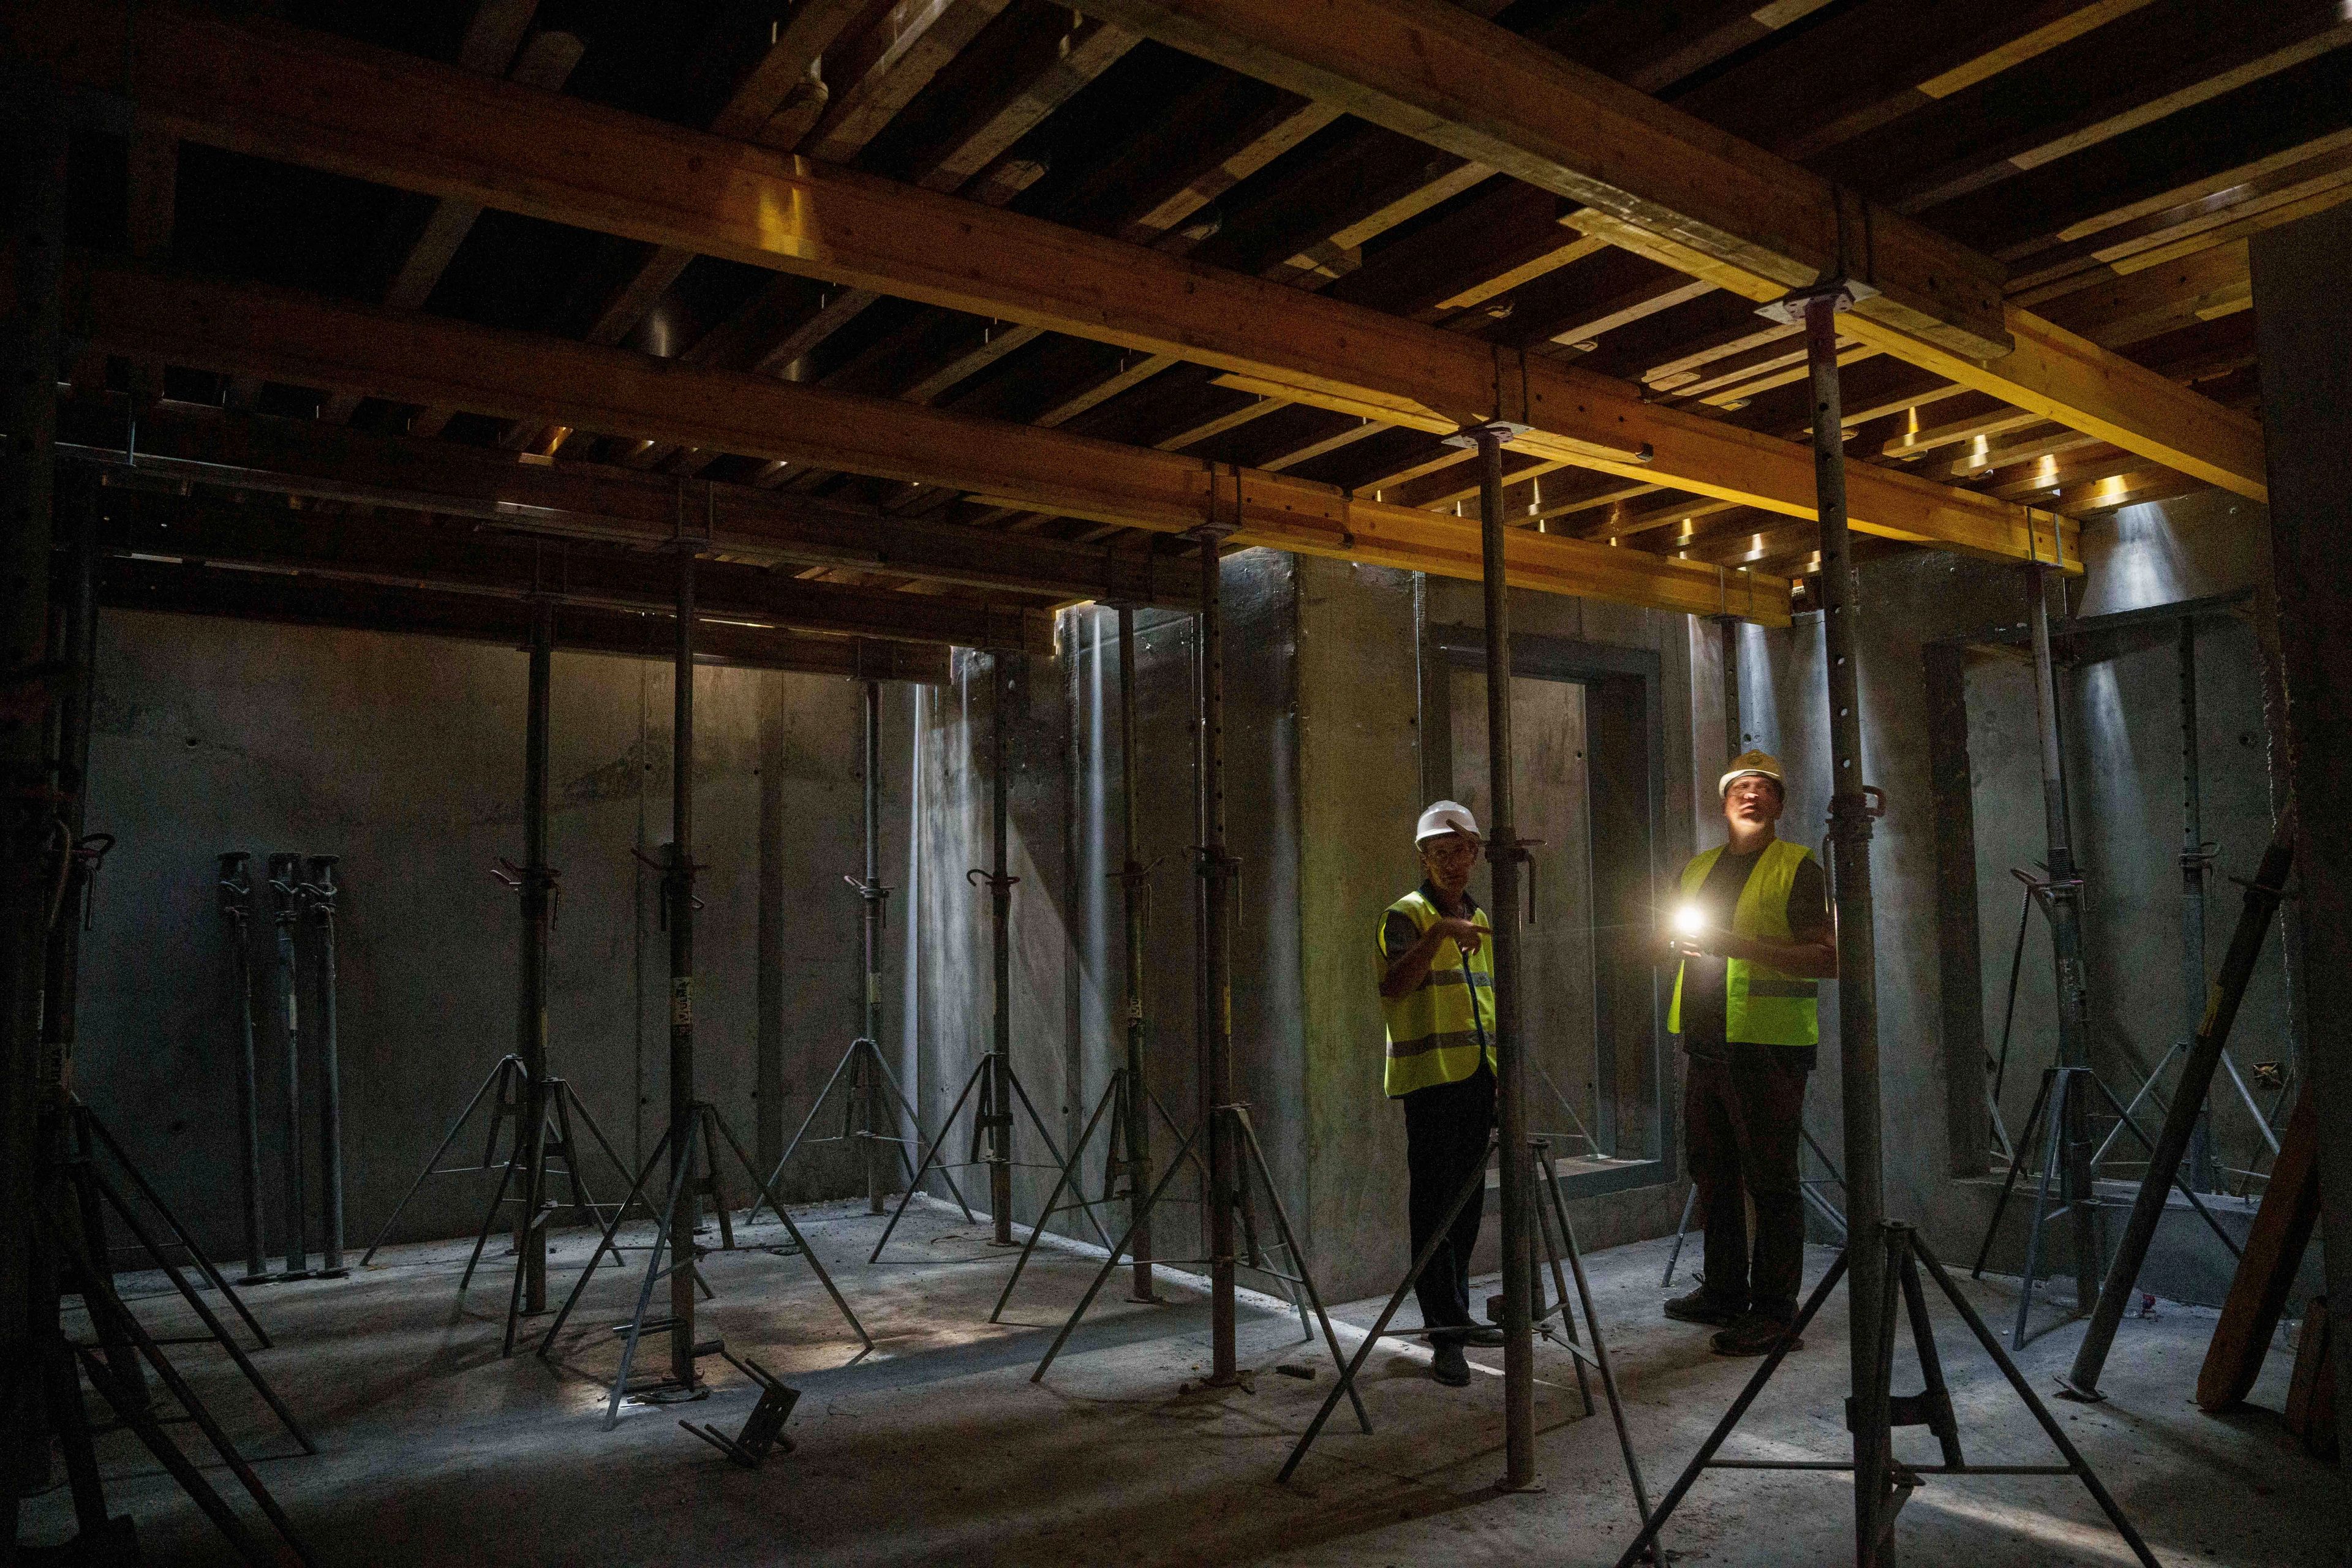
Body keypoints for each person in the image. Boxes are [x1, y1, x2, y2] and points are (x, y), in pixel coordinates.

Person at [1660, 750, 1838, 1356]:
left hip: (1770, 1048)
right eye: (1741, 784)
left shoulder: (1799, 867)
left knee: (1771, 1179)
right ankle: (1724, 1289)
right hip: (1707, 1044)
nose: (1752, 793)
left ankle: (1775, 1311)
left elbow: (1827, 959)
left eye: (1765, 787)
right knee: (1713, 1172)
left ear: (1780, 804)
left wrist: (1734, 944)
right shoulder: (1697, 870)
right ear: (1724, 798)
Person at [1377, 801, 1504, 1388]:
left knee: (1468, 1205)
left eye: (1465, 851)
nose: (1457, 863)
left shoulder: (1480, 917)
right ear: (1424, 859)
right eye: (1444, 853)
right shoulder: (1404, 916)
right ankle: (1444, 1336)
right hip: (1431, 1083)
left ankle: (1458, 1315)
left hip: (1477, 1077)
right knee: (1434, 1209)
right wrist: (1439, 936)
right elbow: (1396, 983)